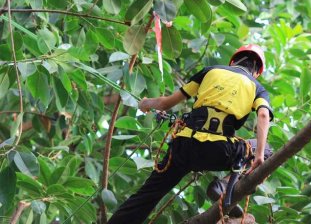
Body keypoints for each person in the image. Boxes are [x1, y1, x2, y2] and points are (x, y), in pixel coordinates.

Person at [108, 44, 273, 224]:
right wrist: (258, 156)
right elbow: (263, 115)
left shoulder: (210, 71)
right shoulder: (257, 87)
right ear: (257, 72)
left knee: (146, 196)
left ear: (233, 61)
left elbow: (165, 104)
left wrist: (147, 103)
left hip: (184, 147)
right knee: (266, 149)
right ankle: (223, 185)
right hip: (219, 150)